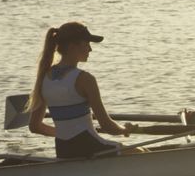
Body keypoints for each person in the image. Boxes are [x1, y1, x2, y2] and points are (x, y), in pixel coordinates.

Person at [27, 22, 129, 159]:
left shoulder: (43, 78)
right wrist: (125, 129)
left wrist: (66, 133)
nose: (90, 49)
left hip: (64, 151)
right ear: (72, 46)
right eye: (86, 44)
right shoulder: (85, 79)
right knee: (142, 152)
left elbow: (35, 126)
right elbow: (107, 126)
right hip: (92, 149)